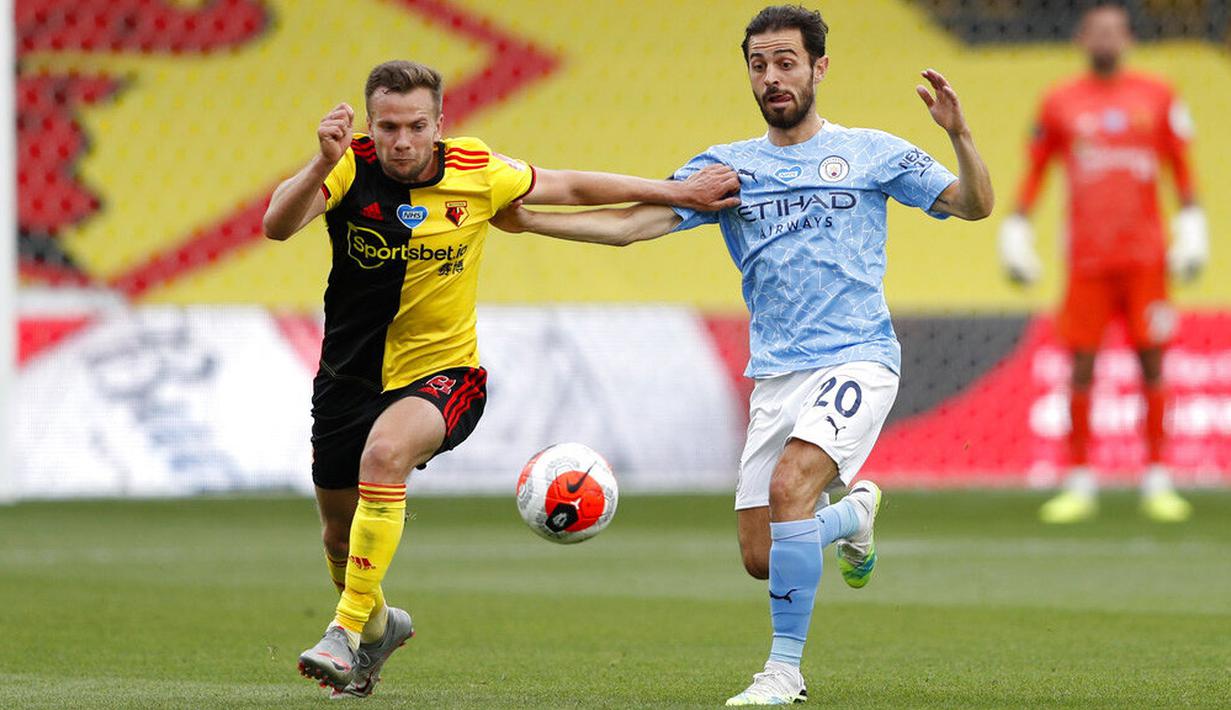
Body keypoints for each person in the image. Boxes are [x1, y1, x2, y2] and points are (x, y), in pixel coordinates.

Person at [493, 5, 992, 705]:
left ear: (818, 67)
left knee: (791, 488)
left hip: (856, 357)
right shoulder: (726, 170)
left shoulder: (874, 151)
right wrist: (530, 221)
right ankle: (851, 517)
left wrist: (960, 135)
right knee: (763, 556)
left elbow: (973, 205)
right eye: (758, 65)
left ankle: (782, 672)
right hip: (776, 373)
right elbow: (634, 226)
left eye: (785, 62)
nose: (771, 78)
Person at [261, 59, 739, 697]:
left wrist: (677, 191)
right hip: (346, 381)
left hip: (445, 374)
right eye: (388, 126)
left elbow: (567, 187)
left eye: (416, 126)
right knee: (338, 537)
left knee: (385, 456)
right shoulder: (349, 165)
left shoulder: (474, 170)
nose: (402, 141)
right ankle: (376, 627)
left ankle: (343, 634)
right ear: (371, 124)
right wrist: (321, 161)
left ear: (440, 123)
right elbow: (276, 225)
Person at [998, 2, 1207, 524]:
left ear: (1128, 37)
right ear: (1082, 39)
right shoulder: (1060, 103)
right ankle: (1079, 482)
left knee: (1153, 361)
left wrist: (1192, 226)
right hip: (1087, 261)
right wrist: (1018, 225)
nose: (1106, 39)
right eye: (1097, 31)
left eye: (1115, 30)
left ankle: (1158, 478)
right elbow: (1037, 170)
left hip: (1146, 261)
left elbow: (1181, 168)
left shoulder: (1159, 96)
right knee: (1081, 366)